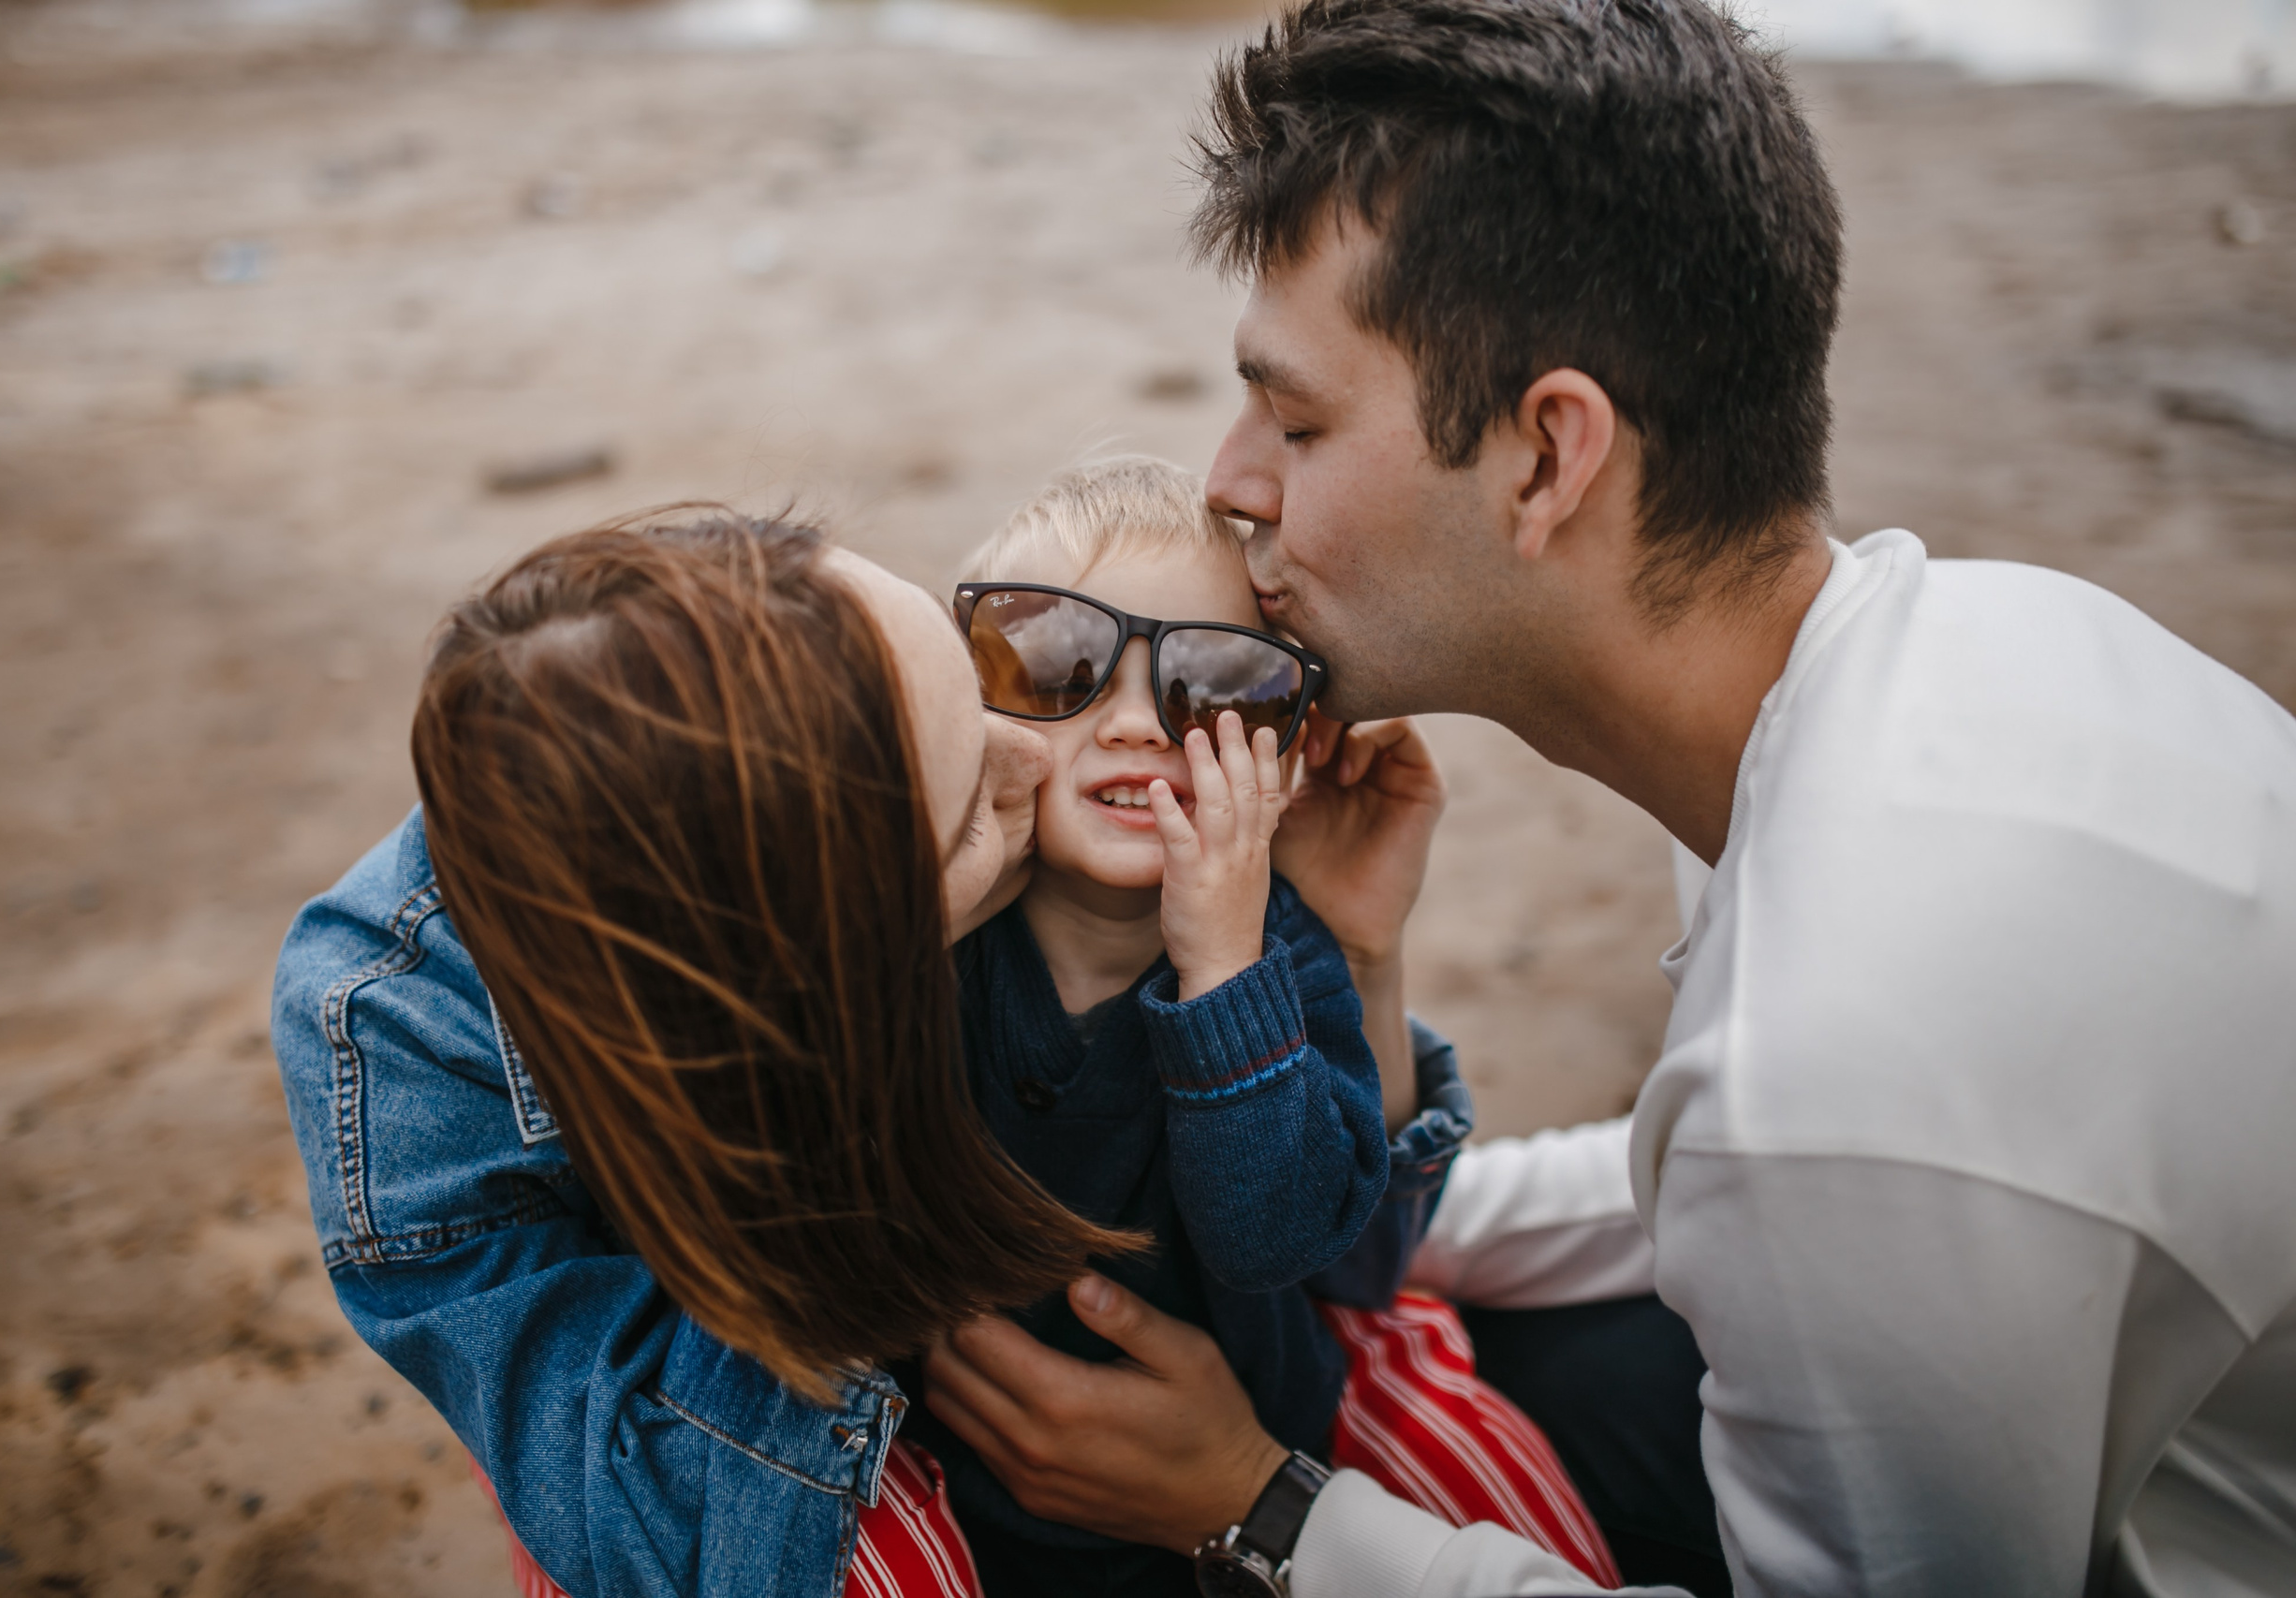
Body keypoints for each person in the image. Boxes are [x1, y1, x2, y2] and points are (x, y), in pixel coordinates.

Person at [920, 2, 2296, 1595]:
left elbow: (1796, 1157)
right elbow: (1695, 1177)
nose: (1229, 478)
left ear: (1550, 454)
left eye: (1296, 418)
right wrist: (1345, 1196)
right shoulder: (1971, 652)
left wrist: (1254, 1502)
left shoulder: (1849, 1040)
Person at [273, 506, 1123, 1597]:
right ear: (823, 981)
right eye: (969, 818)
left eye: (974, 683)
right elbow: (663, 1515)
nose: (1033, 761)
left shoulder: (732, 711)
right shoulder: (401, 1048)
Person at [916, 456, 1616, 1594]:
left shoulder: (1286, 959)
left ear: (1290, 759)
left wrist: (1222, 968)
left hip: (1215, 1533)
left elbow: (1283, 1238)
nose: (1140, 725)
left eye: (1214, 686)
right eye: (1056, 661)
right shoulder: (931, 942)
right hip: (943, 1484)